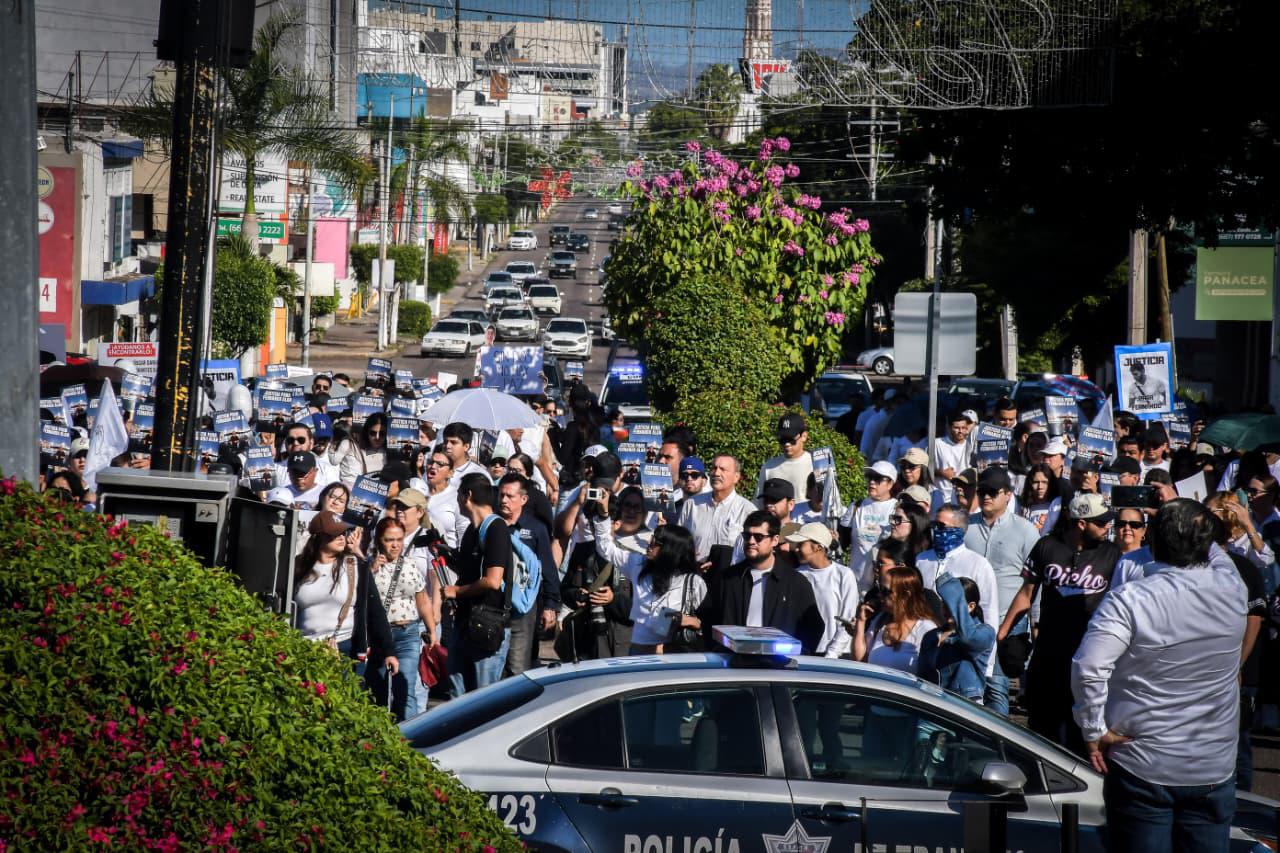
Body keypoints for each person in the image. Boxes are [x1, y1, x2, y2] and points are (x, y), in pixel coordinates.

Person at [1071, 500, 1244, 853]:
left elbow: (1089, 667)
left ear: (1151, 541)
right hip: (1212, 765)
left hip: (1142, 764)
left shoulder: (1129, 599)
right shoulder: (1233, 586)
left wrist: (1093, 729)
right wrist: (1192, 517)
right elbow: (1214, 549)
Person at [999, 492, 1122, 755]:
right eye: (1101, 522)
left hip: (1088, 655)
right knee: (1042, 731)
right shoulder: (1047, 546)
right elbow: (1026, 593)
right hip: (1048, 652)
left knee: (1080, 735)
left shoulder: (1112, 553)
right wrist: (1003, 632)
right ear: (1081, 523)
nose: (1107, 526)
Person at [964, 466, 1040, 716]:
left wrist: (1035, 620)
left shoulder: (1025, 530)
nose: (986, 496)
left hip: (1008, 621)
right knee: (967, 687)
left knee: (996, 687)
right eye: (982, 491)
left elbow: (1035, 581)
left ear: (1008, 495)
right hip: (970, 622)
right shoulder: (966, 527)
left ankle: (998, 737)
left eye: (993, 492)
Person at [695, 510, 824, 654]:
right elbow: (707, 618)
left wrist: (796, 655)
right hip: (734, 662)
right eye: (747, 536)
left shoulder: (795, 583)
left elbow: (814, 626)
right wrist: (719, 649)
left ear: (775, 540)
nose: (751, 541)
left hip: (779, 663)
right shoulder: (727, 579)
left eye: (758, 537)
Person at [590, 499, 705, 655]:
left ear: (671, 549)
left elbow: (708, 621)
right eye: (651, 539)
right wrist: (603, 515)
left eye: (655, 543)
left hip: (675, 652)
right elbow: (605, 548)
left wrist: (691, 621)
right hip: (640, 649)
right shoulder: (638, 564)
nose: (649, 545)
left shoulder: (693, 582)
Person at [293, 511, 398, 681]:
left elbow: (375, 610)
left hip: (345, 647)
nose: (342, 537)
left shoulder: (355, 565)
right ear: (319, 537)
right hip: (304, 648)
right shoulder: (297, 566)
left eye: (343, 532)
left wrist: (389, 652)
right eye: (335, 534)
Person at [441, 473, 513, 697]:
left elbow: (493, 580)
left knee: (483, 699)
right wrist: (442, 550)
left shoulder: (497, 528)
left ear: (467, 496)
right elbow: (468, 570)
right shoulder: (472, 531)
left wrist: (456, 592)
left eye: (458, 494)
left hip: (487, 624)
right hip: (465, 623)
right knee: (457, 696)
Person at [363, 517, 434, 722]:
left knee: (406, 689)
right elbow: (360, 602)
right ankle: (379, 733)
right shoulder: (367, 566)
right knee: (377, 691)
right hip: (379, 636)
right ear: (379, 540)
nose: (395, 545)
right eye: (389, 540)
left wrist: (431, 629)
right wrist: (371, 571)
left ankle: (406, 735)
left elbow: (422, 599)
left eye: (399, 539)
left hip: (407, 633)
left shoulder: (410, 565)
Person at [496, 473, 558, 675]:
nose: (504, 500)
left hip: (523, 606)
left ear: (523, 499)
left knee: (518, 667)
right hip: (493, 605)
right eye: (501, 495)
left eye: (510, 496)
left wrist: (550, 605)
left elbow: (547, 567)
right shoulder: (491, 524)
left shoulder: (536, 528)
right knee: (493, 667)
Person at [914, 505, 1000, 645]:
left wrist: (986, 655)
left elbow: (989, 612)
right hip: (922, 641)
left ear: (959, 530)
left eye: (941, 526)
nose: (936, 530)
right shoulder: (921, 559)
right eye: (934, 524)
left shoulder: (978, 564)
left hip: (957, 644)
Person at [852, 553, 938, 675]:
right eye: (880, 589)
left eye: (886, 591)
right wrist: (861, 622)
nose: (880, 595)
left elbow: (929, 675)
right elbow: (860, 661)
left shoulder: (925, 629)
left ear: (906, 595)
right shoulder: (879, 622)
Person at [919, 575, 995, 704]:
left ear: (971, 606)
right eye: (944, 602)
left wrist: (951, 589)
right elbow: (921, 675)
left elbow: (968, 638)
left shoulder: (985, 632)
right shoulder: (930, 636)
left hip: (964, 704)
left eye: (953, 604)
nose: (946, 608)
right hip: (932, 702)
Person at [787, 523, 859, 659]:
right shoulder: (796, 575)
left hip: (839, 655)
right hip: (804, 653)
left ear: (818, 547)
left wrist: (832, 654)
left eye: (801, 544)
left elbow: (847, 618)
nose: (796, 549)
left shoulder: (844, 575)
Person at [677, 454, 756, 567]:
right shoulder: (692, 504)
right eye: (714, 468)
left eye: (723, 469)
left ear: (736, 477)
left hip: (728, 573)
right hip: (693, 571)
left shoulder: (747, 511)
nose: (716, 473)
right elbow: (679, 541)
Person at [839, 460, 899, 591]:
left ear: (890, 484)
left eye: (878, 478)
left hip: (885, 586)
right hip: (855, 584)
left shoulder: (897, 508)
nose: (872, 482)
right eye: (870, 477)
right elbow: (842, 541)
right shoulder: (856, 506)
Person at [1206, 491, 1275, 571]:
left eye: (1209, 511)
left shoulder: (1251, 537)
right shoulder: (1212, 537)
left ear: (1226, 512)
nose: (1206, 517)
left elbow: (1267, 559)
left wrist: (1247, 525)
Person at [755, 413, 814, 502]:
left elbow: (828, 499)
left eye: (791, 439)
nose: (787, 444)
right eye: (783, 439)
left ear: (804, 436)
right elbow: (758, 504)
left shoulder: (815, 463)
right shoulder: (769, 467)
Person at [275, 422, 339, 488]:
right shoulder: (276, 470)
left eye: (301, 440)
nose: (295, 443)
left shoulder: (326, 470)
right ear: (286, 444)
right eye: (291, 440)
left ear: (311, 443)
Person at [932, 409, 974, 503]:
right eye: (957, 428)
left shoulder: (970, 446)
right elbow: (923, 468)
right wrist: (941, 472)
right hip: (940, 497)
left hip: (963, 497)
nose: (960, 431)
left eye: (963, 428)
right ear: (949, 427)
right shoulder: (937, 444)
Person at [1109, 506, 1153, 589]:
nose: (1127, 528)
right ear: (1115, 528)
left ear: (1144, 530)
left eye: (1134, 525)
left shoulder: (1152, 560)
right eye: (1121, 524)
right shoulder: (1104, 557)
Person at [337, 413, 387, 485]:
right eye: (373, 433)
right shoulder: (354, 450)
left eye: (382, 433)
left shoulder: (391, 454)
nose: (377, 437)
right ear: (367, 433)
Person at [1018, 462, 1061, 534]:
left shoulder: (1057, 506)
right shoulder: (1022, 507)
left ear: (1051, 483)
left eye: (1044, 482)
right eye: (1036, 482)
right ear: (1030, 483)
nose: (1040, 487)